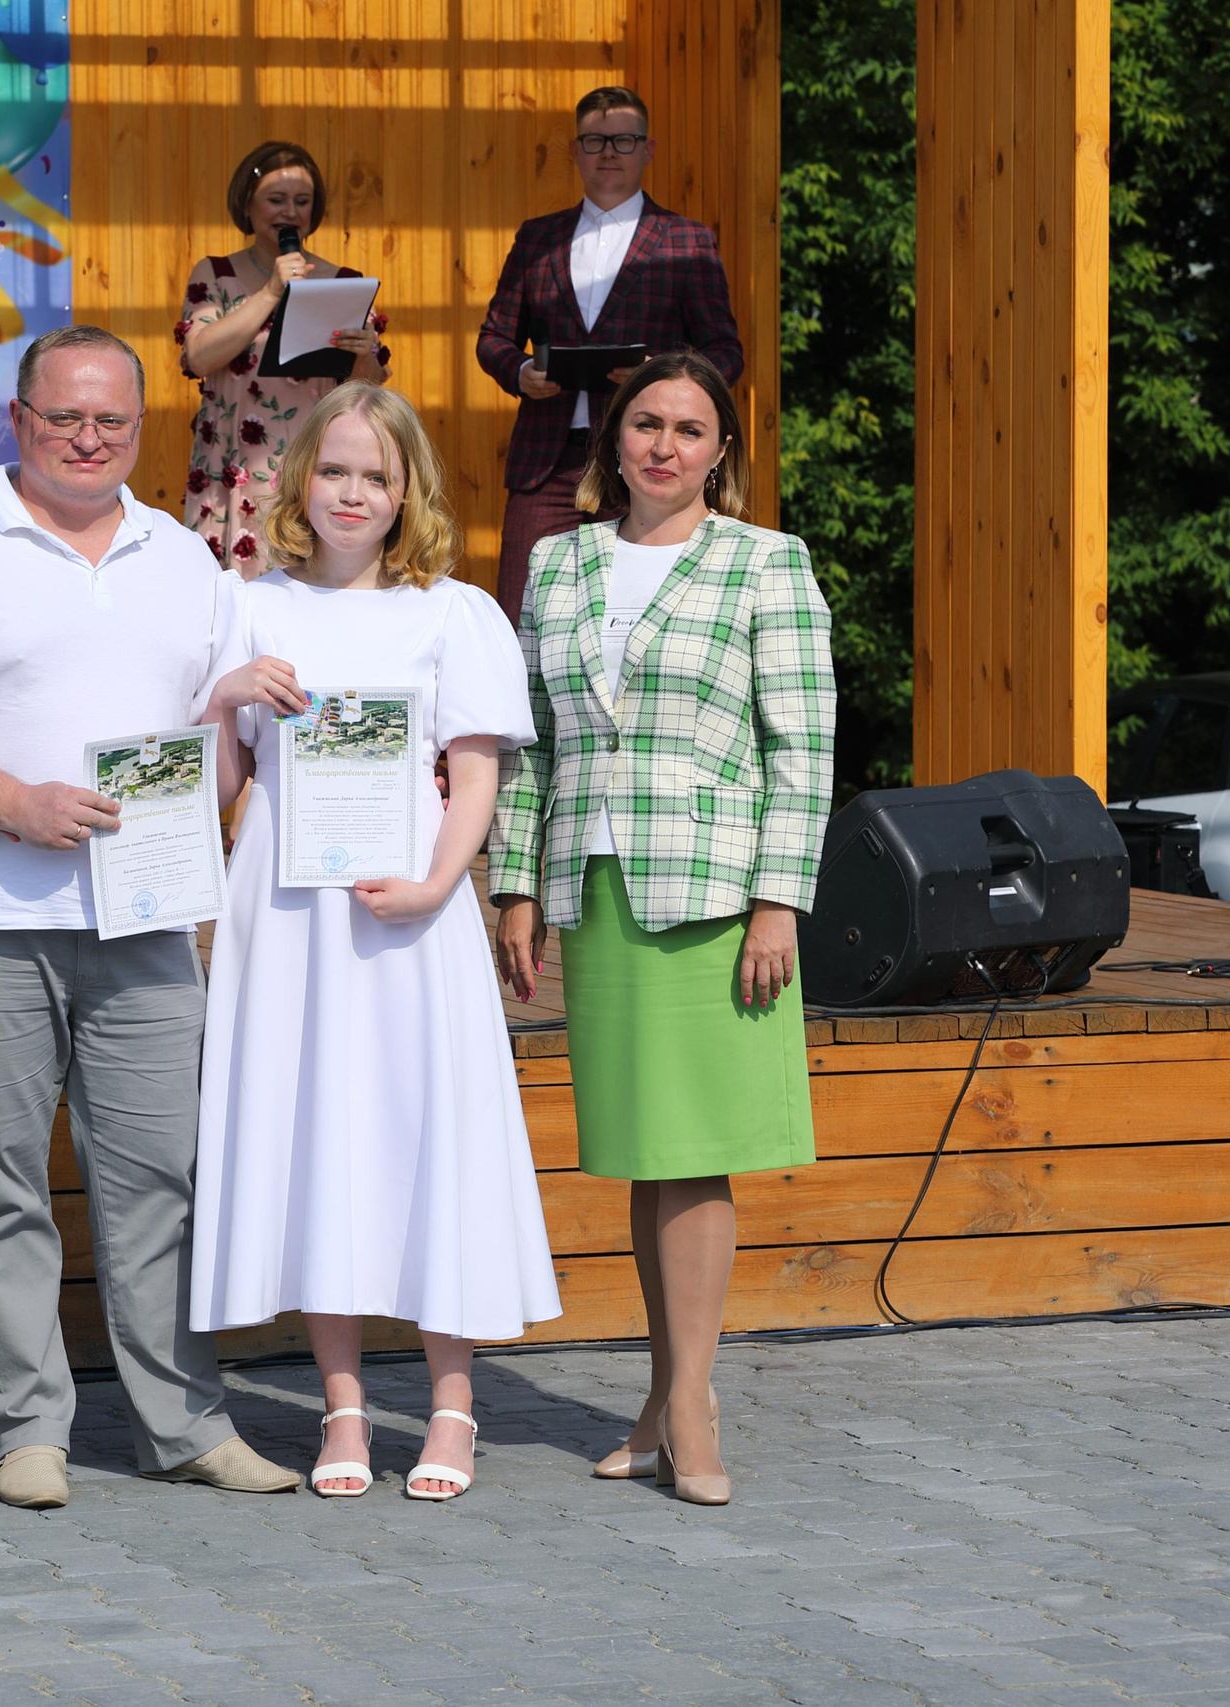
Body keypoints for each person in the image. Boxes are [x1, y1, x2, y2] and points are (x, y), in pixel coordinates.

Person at [0, 324, 301, 1509]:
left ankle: (183, 1424)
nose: (88, 439)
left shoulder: (187, 562)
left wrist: (223, 717)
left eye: (111, 420)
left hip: (147, 922)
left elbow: (212, 776)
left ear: (140, 427)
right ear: (18, 421)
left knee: (160, 1178)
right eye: (64, 418)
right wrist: (13, 802)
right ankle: (25, 1431)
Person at [190, 382, 561, 1502]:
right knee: (316, 1137)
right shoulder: (249, 605)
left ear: (409, 493)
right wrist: (221, 698)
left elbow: (476, 773)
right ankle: (342, 1408)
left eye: (377, 476)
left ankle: (451, 1407)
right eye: (335, 469)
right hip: (286, 917)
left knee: (426, 1131)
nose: (352, 493)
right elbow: (221, 786)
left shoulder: (452, 613)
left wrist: (440, 885)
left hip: (408, 911)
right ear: (299, 476)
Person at [487, 351, 835, 1509]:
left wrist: (777, 900)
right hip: (595, 889)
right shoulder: (559, 561)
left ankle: (689, 1406)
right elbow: (531, 738)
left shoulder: (766, 562)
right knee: (647, 1153)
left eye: (689, 429)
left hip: (716, 897)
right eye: (646, 424)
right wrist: (516, 884)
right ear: (614, 438)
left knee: (695, 1150)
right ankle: (661, 1397)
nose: (665, 446)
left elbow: (802, 748)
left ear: (720, 450)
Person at [475, 85, 745, 626]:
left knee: (635, 606)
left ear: (648, 149)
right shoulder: (537, 238)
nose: (609, 152)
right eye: (595, 140)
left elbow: (725, 352)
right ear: (575, 151)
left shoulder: (686, 240)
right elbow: (493, 339)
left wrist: (657, 378)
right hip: (547, 460)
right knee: (523, 610)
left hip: (646, 458)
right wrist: (522, 371)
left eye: (624, 140)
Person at [177, 140, 389, 575]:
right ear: (247, 204)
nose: (290, 212)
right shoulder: (216, 274)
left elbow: (367, 386)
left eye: (302, 201)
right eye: (276, 200)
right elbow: (198, 356)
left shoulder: (341, 281)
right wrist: (273, 290)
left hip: (315, 469)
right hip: (232, 467)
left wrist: (362, 352)